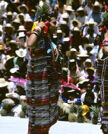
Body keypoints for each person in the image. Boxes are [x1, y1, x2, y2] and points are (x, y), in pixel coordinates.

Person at [25, 3, 62, 134]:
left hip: (48, 86)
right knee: (38, 124)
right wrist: (38, 28)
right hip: (39, 86)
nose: (56, 25)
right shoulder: (39, 38)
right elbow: (29, 44)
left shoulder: (49, 40)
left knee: (45, 123)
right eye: (53, 23)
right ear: (46, 24)